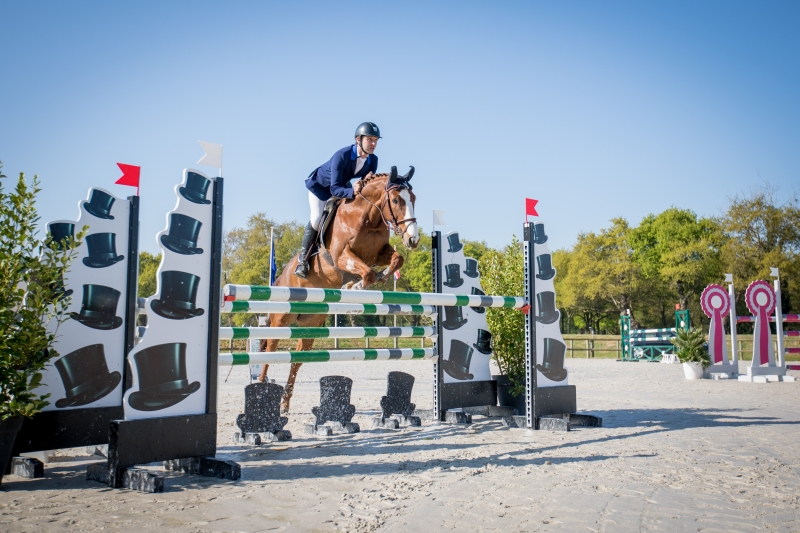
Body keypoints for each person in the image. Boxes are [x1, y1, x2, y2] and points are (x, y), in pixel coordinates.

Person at [294, 122, 381, 278]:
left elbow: (365, 186)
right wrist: (351, 190)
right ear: (358, 139)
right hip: (321, 187)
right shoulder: (341, 155)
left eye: (376, 140)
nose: (374, 143)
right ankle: (303, 261)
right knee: (316, 219)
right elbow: (334, 189)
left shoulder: (373, 160)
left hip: (342, 185)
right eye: (370, 139)